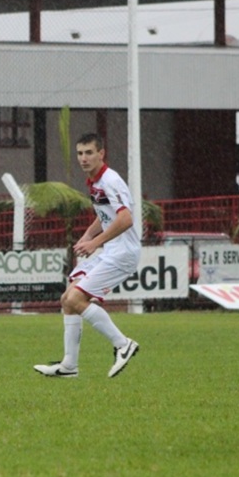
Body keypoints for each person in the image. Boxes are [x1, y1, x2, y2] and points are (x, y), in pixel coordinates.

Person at [33, 132, 140, 379]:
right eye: (80, 153)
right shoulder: (94, 181)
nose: (83, 158)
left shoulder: (110, 180)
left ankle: (123, 344)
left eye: (89, 153)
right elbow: (104, 215)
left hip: (122, 253)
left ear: (101, 154)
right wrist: (87, 236)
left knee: (76, 299)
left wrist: (95, 243)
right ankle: (69, 366)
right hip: (110, 250)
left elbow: (125, 219)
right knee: (67, 298)